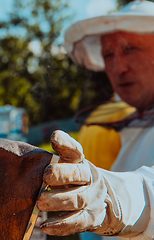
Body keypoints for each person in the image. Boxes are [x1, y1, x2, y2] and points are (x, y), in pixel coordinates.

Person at [36, 1, 154, 239]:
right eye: (108, 54)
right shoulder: (135, 124)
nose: (118, 67)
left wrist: (110, 197)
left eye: (131, 49)